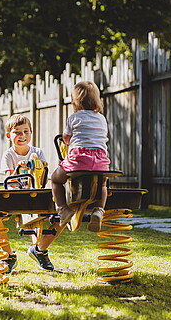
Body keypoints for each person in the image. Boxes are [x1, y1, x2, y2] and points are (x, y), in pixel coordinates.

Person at [0, 114, 66, 273]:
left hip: (35, 195)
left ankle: (40, 249)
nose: (22, 136)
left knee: (63, 215)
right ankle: (8, 255)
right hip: (16, 196)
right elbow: (9, 179)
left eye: (26, 132)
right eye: (17, 132)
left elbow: (42, 175)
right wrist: (18, 169)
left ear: (31, 132)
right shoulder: (9, 155)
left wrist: (40, 167)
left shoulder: (37, 152)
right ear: (9, 136)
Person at [50, 81, 111, 233]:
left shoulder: (74, 117)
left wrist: (69, 140)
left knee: (56, 180)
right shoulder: (102, 118)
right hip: (100, 160)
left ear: (75, 101)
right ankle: (98, 210)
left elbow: (66, 138)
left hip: (79, 160)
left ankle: (63, 209)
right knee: (103, 184)